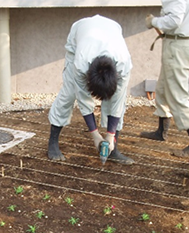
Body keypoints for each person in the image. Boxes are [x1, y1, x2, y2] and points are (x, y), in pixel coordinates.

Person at [48, 15, 134, 165]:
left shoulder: (123, 64)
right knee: (69, 94)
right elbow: (83, 99)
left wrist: (110, 135)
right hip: (80, 34)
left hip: (111, 28)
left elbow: (118, 101)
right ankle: (53, 143)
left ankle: (113, 148)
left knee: (119, 100)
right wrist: (94, 135)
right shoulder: (81, 62)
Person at [141, 0, 189, 157]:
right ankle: (161, 132)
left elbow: (174, 20)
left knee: (177, 95)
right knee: (162, 88)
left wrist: (153, 21)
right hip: (179, 44)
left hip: (179, 47)